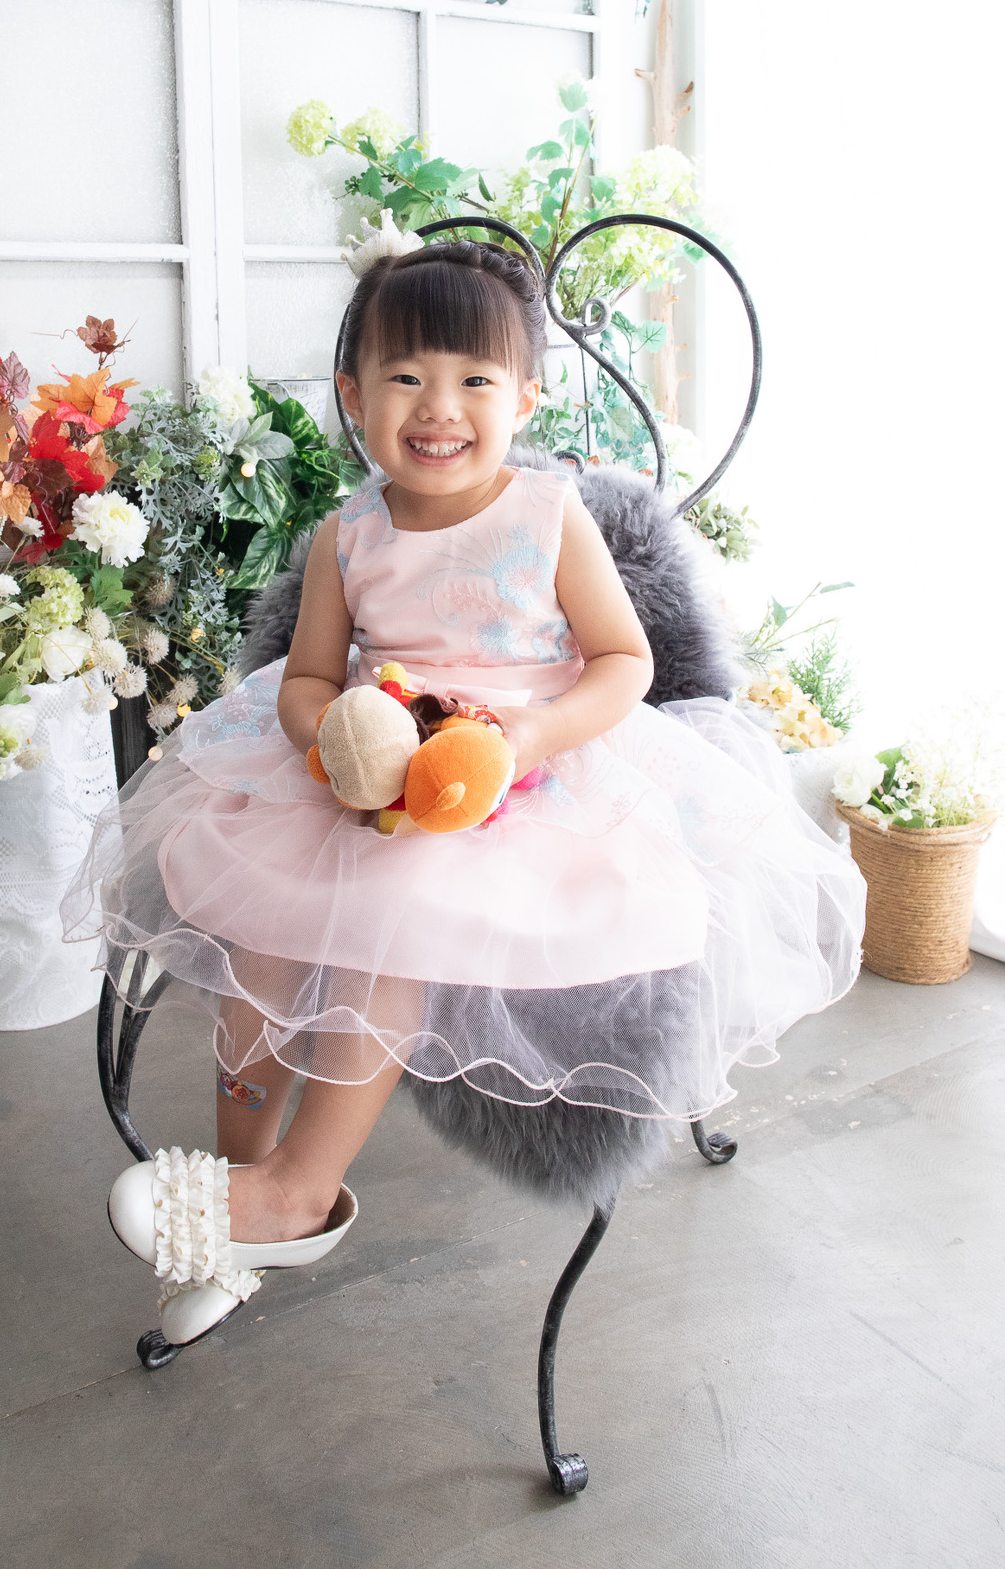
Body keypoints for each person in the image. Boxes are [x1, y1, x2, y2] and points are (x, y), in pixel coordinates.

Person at [71, 236, 864, 1346]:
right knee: (260, 947)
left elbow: (622, 662)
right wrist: (332, 743)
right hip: (372, 762)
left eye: (475, 379)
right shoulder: (348, 534)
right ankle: (240, 1205)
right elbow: (305, 679)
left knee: (398, 915)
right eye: (405, 376)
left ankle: (301, 1187)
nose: (438, 407)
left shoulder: (548, 515)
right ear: (354, 396)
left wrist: (530, 733)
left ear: (525, 396)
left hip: (524, 775)